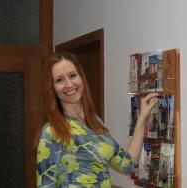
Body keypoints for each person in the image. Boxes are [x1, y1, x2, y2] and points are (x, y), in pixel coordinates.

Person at [36, 52, 159, 187]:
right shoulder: (52, 131)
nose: (69, 84)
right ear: (52, 88)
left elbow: (127, 165)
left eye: (72, 75)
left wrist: (142, 117)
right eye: (59, 80)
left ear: (81, 77)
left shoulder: (96, 122)